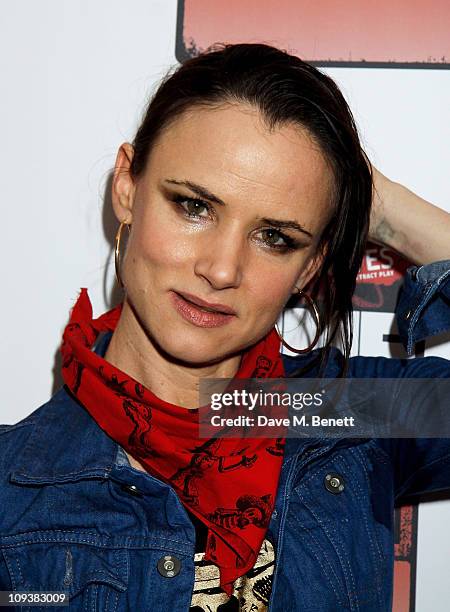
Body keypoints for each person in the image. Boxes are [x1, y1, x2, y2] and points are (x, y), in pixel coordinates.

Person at [0, 43, 449, 612]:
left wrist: (382, 209)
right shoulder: (11, 491)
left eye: (276, 236)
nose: (220, 268)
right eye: (193, 206)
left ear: (310, 265)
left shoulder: (346, 417)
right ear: (127, 189)